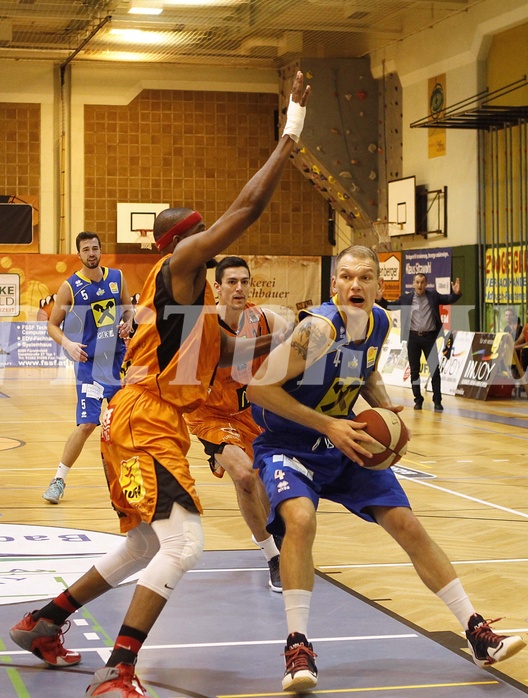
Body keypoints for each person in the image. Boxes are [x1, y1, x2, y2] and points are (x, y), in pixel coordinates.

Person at [9, 70, 311, 698]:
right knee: (185, 544)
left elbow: (236, 355)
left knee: (148, 542)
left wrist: (300, 340)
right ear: (183, 243)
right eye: (199, 230)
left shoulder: (190, 303)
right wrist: (290, 133)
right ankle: (118, 669)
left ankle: (44, 622)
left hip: (152, 423)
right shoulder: (178, 267)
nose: (209, 236)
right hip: (143, 421)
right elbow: (249, 208)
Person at [247, 245, 525, 694]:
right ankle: (297, 646)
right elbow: (258, 390)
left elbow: (364, 372)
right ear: (333, 284)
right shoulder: (317, 329)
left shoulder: (377, 322)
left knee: (408, 525)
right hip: (290, 443)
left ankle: (476, 633)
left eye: (366, 277)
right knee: (300, 520)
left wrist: (384, 411)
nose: (355, 285)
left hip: (347, 442)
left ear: (380, 285)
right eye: (346, 277)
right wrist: (327, 425)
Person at [185, 256, 284, 592]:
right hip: (211, 415)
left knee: (271, 483)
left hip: (251, 414)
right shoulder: (202, 324)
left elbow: (297, 343)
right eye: (231, 282)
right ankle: (273, 556)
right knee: (244, 475)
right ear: (217, 287)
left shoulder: (266, 318)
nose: (239, 288)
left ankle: (281, 539)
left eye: (244, 281)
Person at [42, 232, 134, 504]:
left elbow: (129, 308)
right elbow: (52, 325)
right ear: (79, 255)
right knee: (87, 425)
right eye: (86, 249)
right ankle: (58, 480)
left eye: (95, 248)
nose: (92, 253)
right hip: (89, 367)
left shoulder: (117, 278)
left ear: (100, 250)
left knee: (125, 426)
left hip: (116, 365)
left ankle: (132, 482)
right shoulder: (69, 287)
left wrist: (128, 322)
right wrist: (69, 344)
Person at [379, 272, 461, 412]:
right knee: (414, 372)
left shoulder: (433, 296)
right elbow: (389, 305)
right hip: (413, 339)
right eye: (417, 282)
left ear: (426, 284)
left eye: (422, 282)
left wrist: (457, 294)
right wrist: (380, 299)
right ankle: (418, 400)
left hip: (429, 338)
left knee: (435, 371)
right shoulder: (406, 298)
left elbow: (449, 299)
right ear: (413, 284)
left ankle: (437, 401)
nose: (420, 285)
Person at [513, 306, 528, 381]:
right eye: (527, 313)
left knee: (525, 351)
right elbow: (519, 340)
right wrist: (510, 346)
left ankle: (527, 380)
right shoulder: (526, 326)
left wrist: (515, 347)